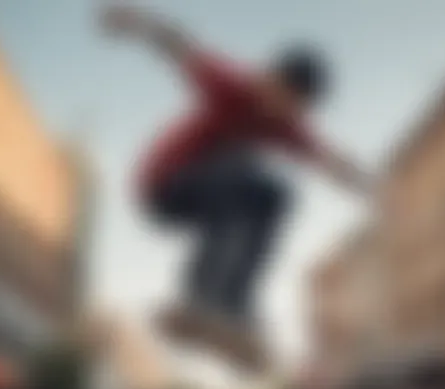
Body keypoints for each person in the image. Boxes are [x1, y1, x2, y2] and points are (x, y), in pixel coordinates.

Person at [99, 4, 373, 368]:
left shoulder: (285, 127)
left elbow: (326, 159)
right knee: (241, 172)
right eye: (285, 99)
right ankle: (204, 296)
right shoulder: (231, 84)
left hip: (207, 195)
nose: (284, 112)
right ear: (271, 79)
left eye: (296, 109)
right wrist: (135, 22)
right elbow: (180, 48)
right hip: (162, 183)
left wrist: (372, 186)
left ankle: (234, 309)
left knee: (276, 196)